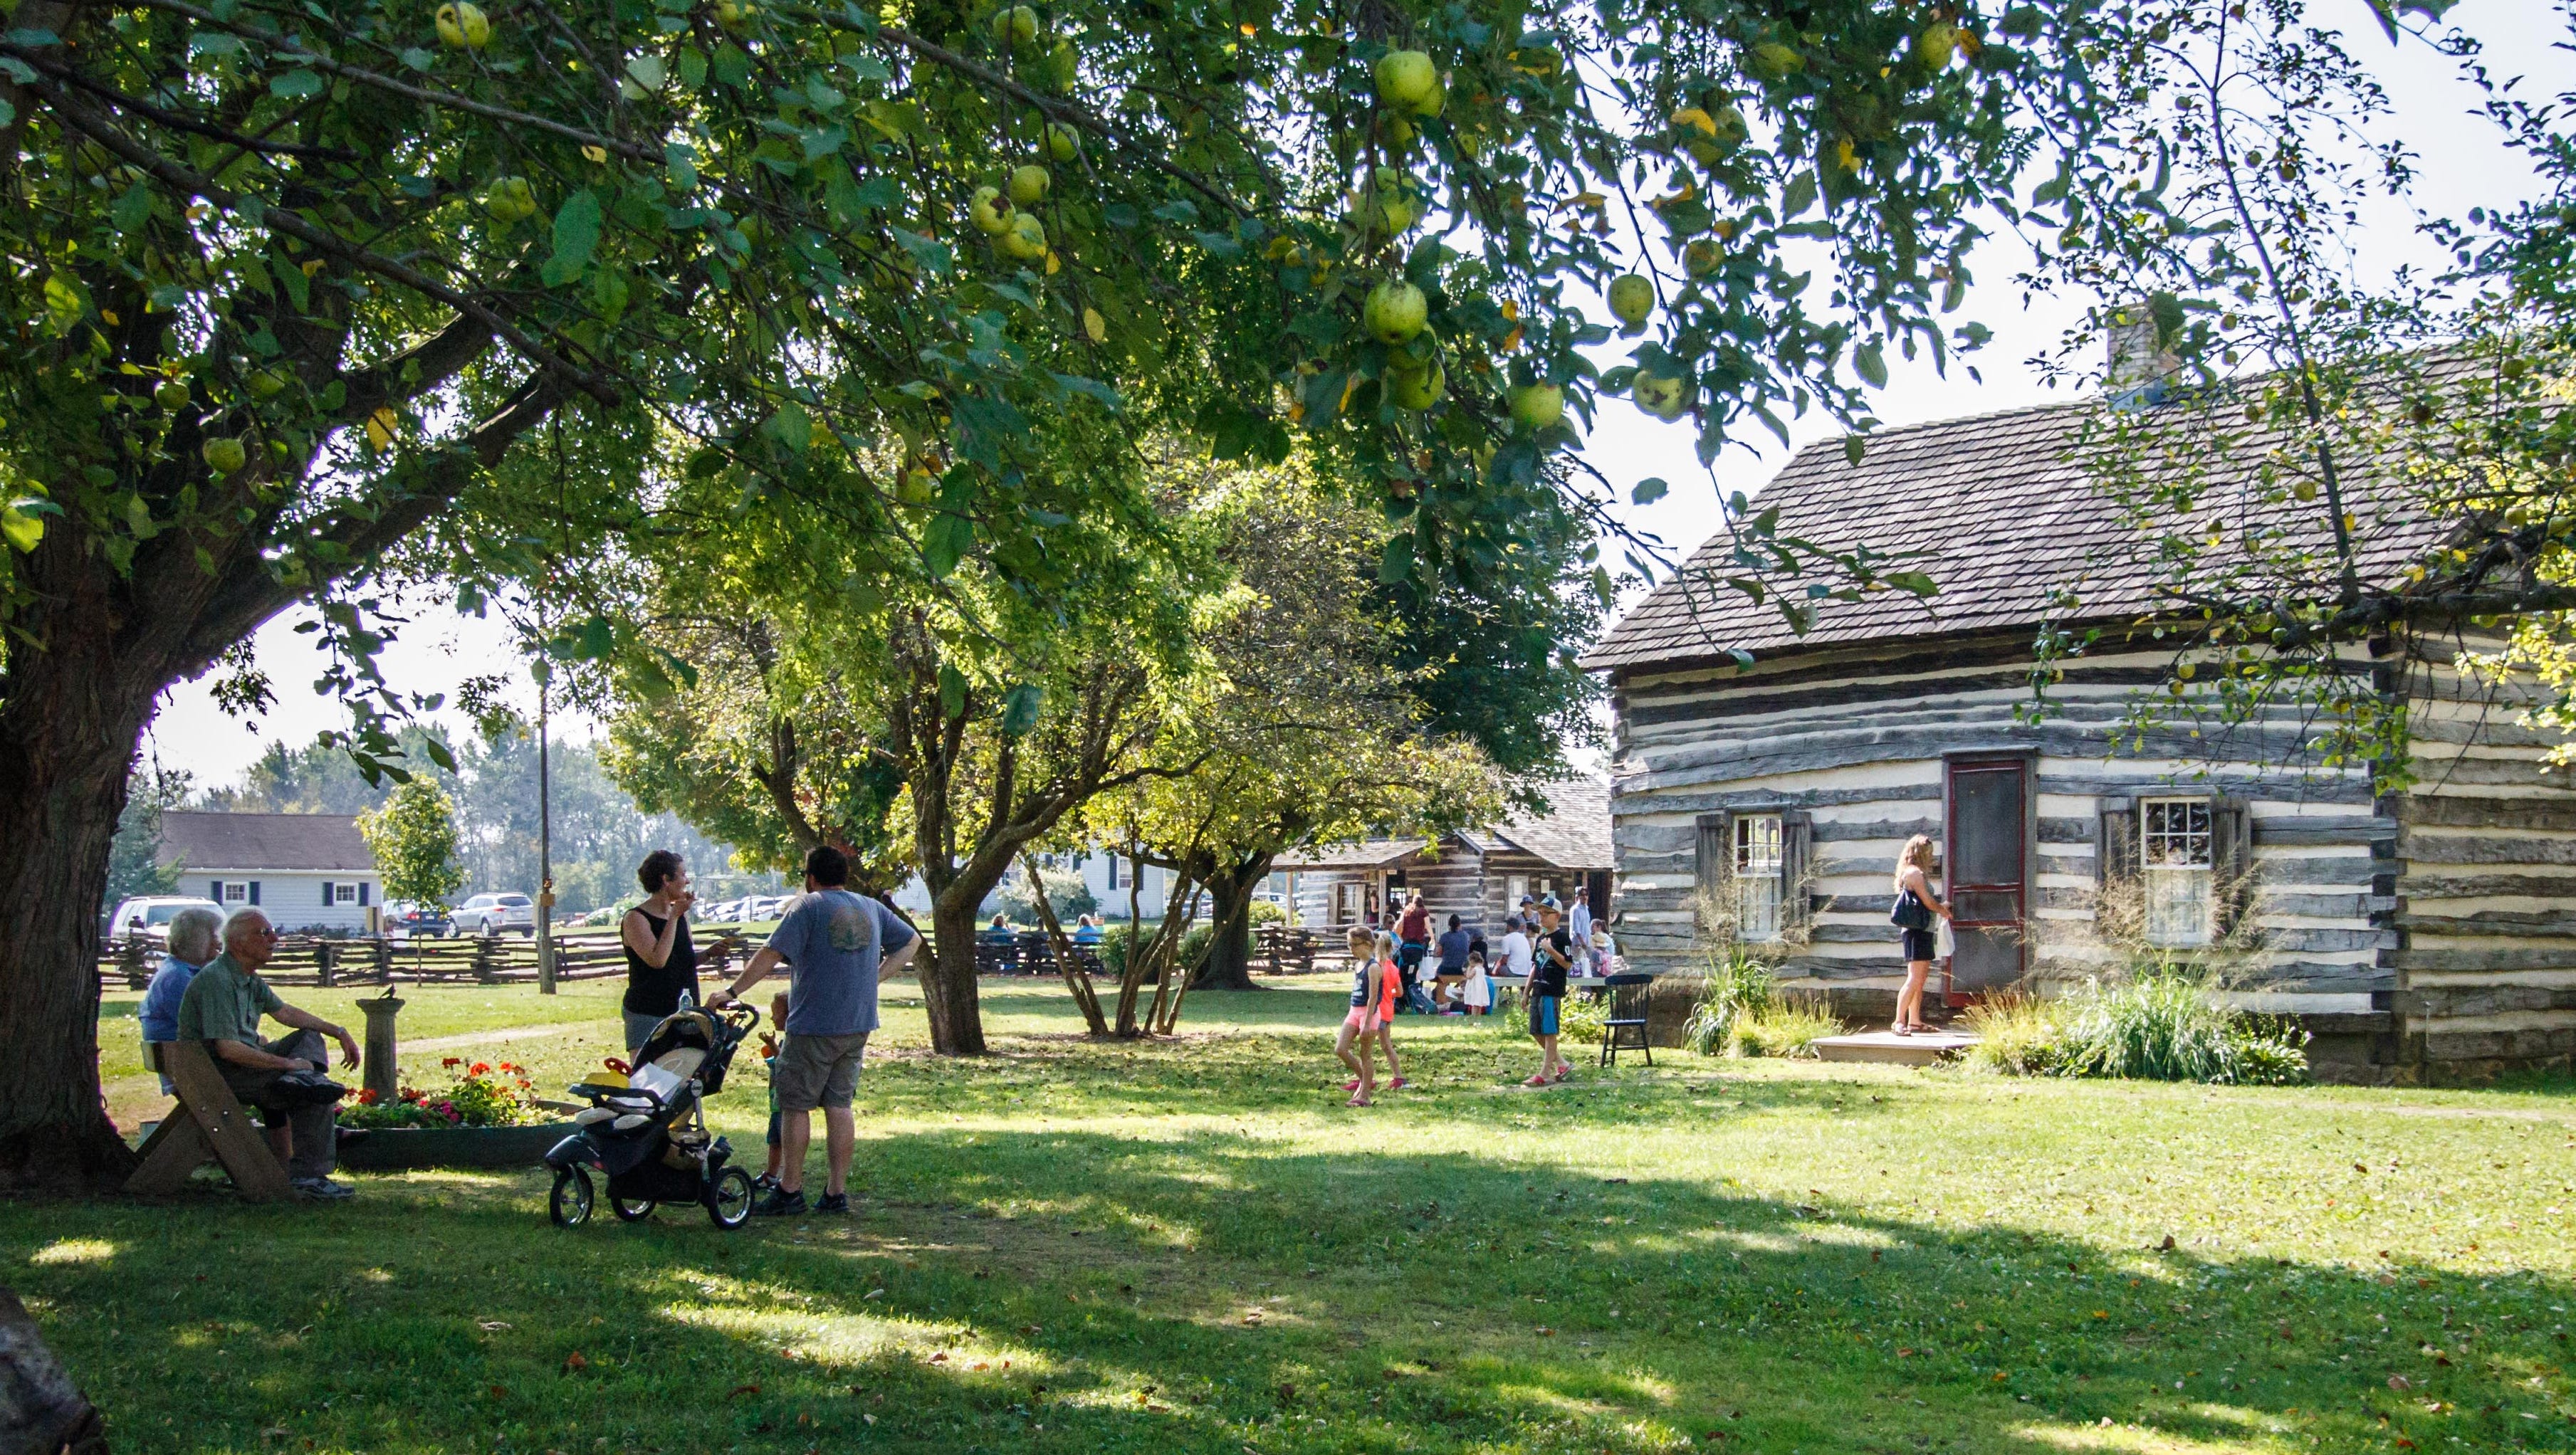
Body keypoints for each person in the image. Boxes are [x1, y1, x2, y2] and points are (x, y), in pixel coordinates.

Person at [713, 844, 920, 1217]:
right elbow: (912, 942)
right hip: (857, 1023)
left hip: (813, 1025)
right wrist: (875, 979)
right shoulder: (871, 907)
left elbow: (770, 953)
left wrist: (732, 991)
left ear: (810, 878)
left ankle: (790, 1189)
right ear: (844, 875)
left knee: (795, 1106)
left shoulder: (807, 907)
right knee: (840, 1106)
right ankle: (836, 1193)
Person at [173, 908, 362, 1200]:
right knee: (314, 1095)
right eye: (264, 933)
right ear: (238, 942)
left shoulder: (247, 978)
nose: (274, 939)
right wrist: (288, 1064)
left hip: (240, 1067)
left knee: (309, 1038)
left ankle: (302, 1081)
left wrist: (338, 1031)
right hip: (218, 1075)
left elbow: (285, 1013)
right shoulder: (217, 980)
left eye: (273, 932)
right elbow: (228, 1050)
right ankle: (307, 1178)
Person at [137, 905, 224, 1096]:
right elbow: (209, 1026)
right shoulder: (178, 977)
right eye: (212, 936)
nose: (218, 943)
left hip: (191, 1060)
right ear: (196, 940)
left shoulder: (184, 972)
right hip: (190, 1066)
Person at [620, 849, 699, 1054]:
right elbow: (658, 960)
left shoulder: (680, 916)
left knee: (686, 1072)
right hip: (648, 1013)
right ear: (666, 879)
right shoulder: (635, 918)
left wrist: (710, 953)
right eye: (683, 874)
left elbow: (682, 960)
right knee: (648, 1073)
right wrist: (674, 917)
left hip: (684, 1011)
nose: (687, 881)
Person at [1890, 834, 1954, 1036]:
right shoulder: (1914, 873)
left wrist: (1941, 907)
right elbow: (1927, 902)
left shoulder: (1916, 873)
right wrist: (1942, 910)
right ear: (1919, 852)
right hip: (1915, 932)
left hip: (1924, 930)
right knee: (1914, 978)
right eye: (1928, 853)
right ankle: (1899, 1021)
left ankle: (1915, 1022)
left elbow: (1925, 904)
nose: (1931, 857)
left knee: (1920, 978)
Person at [1333, 927, 1391, 1107]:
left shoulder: (1373, 967)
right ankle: (1365, 1080)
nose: (1352, 949)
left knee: (1365, 1054)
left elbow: (1373, 998)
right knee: (1340, 1049)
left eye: (1354, 945)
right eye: (1349, 945)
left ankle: (1364, 1096)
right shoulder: (1358, 965)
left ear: (1367, 944)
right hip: (1354, 1011)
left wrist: (1366, 1023)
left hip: (1369, 1014)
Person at [1523, 904, 1574, 1086]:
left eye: (1546, 914)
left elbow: (1567, 964)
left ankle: (1544, 1074)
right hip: (1538, 990)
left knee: (1549, 1032)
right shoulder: (1540, 939)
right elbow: (1535, 966)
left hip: (1552, 990)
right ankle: (1562, 1063)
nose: (1542, 917)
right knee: (1536, 1031)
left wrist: (1551, 950)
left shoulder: (1562, 938)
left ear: (1557, 916)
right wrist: (1526, 992)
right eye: (1540, 914)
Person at [755, 989, 790, 1196]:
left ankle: (788, 1180)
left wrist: (771, 1044)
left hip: (787, 1105)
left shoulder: (793, 1041)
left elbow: (785, 1061)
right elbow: (778, 1064)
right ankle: (771, 1175)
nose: (772, 1017)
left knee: (788, 1142)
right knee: (775, 1141)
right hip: (776, 1103)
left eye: (775, 1013)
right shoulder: (786, 1042)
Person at [1395, 893, 1433, 1013]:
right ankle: (1414, 999)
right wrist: (1432, 938)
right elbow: (1428, 926)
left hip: (1406, 947)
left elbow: (1399, 925)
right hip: (1418, 948)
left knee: (1402, 975)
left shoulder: (1407, 910)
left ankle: (1400, 1002)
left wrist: (1400, 937)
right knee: (1413, 974)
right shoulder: (1423, 912)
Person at [1432, 913, 1472, 1012]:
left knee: (1438, 973)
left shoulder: (1444, 937)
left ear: (1449, 925)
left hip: (1446, 969)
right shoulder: (1466, 936)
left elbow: (1438, 953)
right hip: (1462, 969)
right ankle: (1457, 998)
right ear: (1459, 924)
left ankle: (1440, 1001)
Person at [1460, 949, 1493, 1017]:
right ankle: (1478, 1015)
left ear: (1472, 961)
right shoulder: (1482, 968)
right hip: (1481, 987)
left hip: (1475, 988)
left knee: (1474, 1003)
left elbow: (1469, 977)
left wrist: (1469, 969)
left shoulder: (1475, 969)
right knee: (1479, 1004)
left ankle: (1473, 1015)